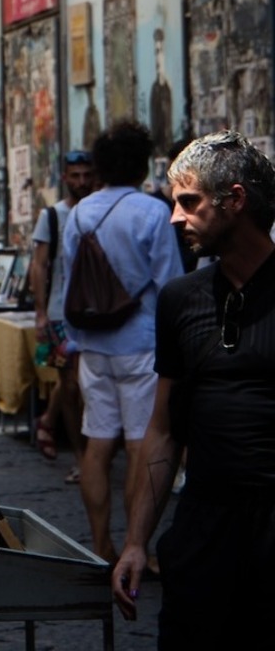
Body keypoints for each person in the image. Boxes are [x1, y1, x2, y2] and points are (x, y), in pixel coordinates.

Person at [112, 130, 275, 645]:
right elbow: (164, 429)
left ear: (236, 201)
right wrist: (137, 541)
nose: (175, 218)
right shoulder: (181, 300)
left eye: (189, 202)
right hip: (205, 528)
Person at [62, 119, 182, 564]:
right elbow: (170, 284)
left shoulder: (80, 212)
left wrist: (74, 341)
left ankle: (100, 545)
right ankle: (138, 545)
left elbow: (68, 280)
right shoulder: (152, 212)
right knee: (140, 445)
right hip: (142, 343)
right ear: (141, 164)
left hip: (94, 345)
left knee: (97, 444)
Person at [30, 149, 95, 481]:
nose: (81, 181)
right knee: (69, 385)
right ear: (65, 178)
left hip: (94, 312)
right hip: (60, 313)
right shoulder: (53, 217)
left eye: (87, 174)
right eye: (76, 175)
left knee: (86, 386)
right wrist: (41, 314)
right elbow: (39, 265)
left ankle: (83, 448)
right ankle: (82, 456)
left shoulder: (99, 210)